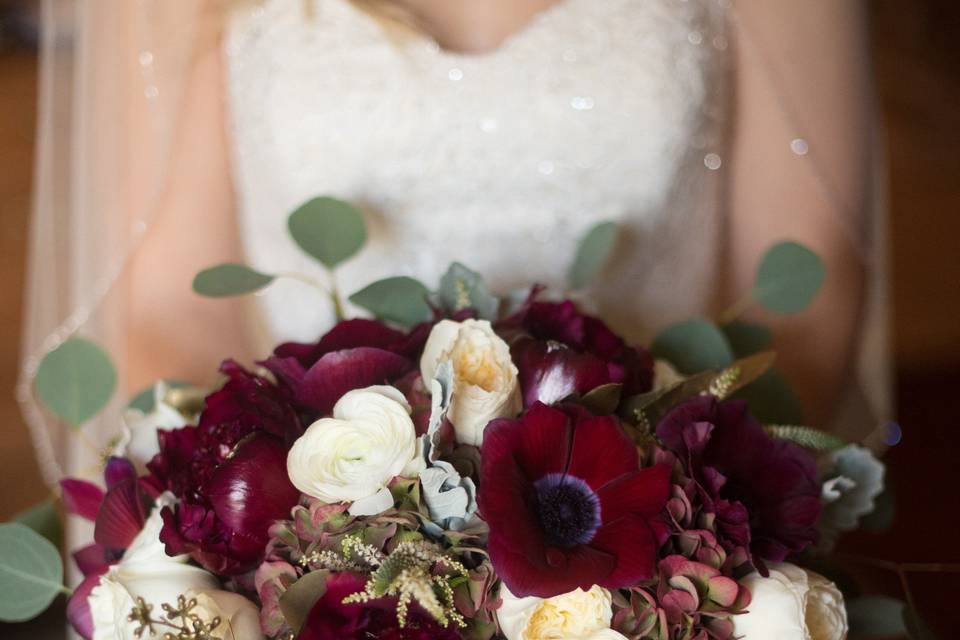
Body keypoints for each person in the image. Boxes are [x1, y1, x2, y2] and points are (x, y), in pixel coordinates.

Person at [20, 0, 889, 489]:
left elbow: (806, 290)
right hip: (317, 562)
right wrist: (308, 543)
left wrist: (663, 536)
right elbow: (171, 309)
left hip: (656, 524)